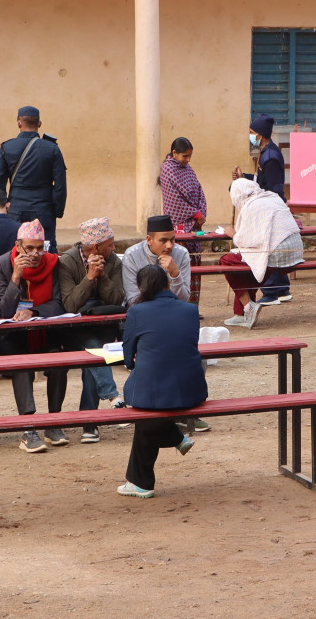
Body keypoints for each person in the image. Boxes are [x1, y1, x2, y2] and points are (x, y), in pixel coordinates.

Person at [117, 264, 206, 498]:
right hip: (191, 389)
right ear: (168, 283)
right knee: (150, 406)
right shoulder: (189, 309)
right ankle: (172, 442)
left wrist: (140, 363)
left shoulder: (137, 311)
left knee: (146, 409)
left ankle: (142, 481)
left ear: (142, 288)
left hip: (155, 391)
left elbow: (128, 358)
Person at [0, 219, 69, 452]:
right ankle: (28, 427)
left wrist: (32, 311)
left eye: (40, 248)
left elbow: (59, 303)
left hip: (44, 330)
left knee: (59, 363)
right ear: (18, 245)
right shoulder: (2, 264)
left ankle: (53, 422)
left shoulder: (54, 264)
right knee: (22, 365)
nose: (35, 254)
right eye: (29, 248)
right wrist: (16, 277)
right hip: (14, 336)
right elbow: (2, 311)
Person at [58, 217, 126, 443]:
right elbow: (69, 305)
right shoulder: (67, 262)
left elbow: (117, 298)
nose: (114, 248)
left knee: (93, 357)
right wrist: (89, 278)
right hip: (75, 329)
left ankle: (90, 422)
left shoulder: (113, 261)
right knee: (95, 351)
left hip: (104, 327)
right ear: (96, 247)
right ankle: (109, 399)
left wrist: (103, 275)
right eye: (110, 244)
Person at [220, 179, 304, 330]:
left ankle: (247, 307)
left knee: (227, 261)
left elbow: (247, 240)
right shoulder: (271, 197)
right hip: (295, 251)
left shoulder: (252, 206)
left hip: (278, 254)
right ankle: (242, 314)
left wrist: (233, 234)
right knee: (246, 265)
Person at [231, 113, 292, 305]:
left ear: (260, 135)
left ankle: (272, 291)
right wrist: (245, 177)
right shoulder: (265, 153)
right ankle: (281, 289)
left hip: (271, 209)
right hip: (268, 205)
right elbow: (261, 181)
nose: (250, 136)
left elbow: (273, 188)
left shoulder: (271, 157)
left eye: (252, 133)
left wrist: (261, 204)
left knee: (268, 247)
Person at [0, 106, 66, 253]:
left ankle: (16, 276)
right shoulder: (52, 149)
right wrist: (57, 210)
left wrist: (1, 209)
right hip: (44, 209)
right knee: (46, 251)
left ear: (19, 123)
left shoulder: (7, 147)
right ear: (39, 124)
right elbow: (60, 185)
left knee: (16, 250)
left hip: (15, 209)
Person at [159, 136, 207, 304]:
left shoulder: (188, 169)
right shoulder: (167, 169)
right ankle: (179, 305)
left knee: (195, 266)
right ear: (174, 153)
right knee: (180, 267)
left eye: (189, 156)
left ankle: (193, 306)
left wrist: (201, 213)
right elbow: (174, 201)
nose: (187, 160)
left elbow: (199, 190)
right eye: (184, 156)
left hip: (194, 225)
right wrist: (194, 213)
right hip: (178, 226)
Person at [122, 215, 192, 305]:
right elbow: (133, 299)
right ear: (149, 240)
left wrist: (175, 274)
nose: (169, 246)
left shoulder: (182, 253)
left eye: (172, 240)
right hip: (144, 313)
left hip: (172, 311)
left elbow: (184, 299)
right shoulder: (132, 255)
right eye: (163, 240)